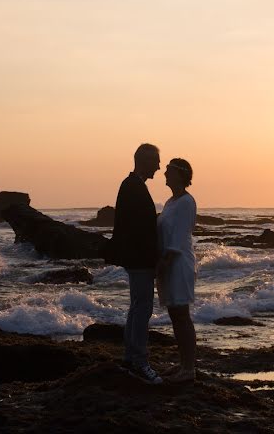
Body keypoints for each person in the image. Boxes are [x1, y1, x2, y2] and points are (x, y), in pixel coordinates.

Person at [109, 143, 163, 384]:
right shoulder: (133, 186)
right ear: (144, 161)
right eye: (156, 161)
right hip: (139, 258)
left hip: (135, 257)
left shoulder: (131, 185)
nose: (159, 167)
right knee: (143, 308)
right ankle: (139, 362)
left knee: (137, 307)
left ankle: (131, 359)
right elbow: (136, 227)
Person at [156, 157, 198, 383]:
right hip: (168, 261)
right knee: (175, 314)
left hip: (178, 263)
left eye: (169, 170)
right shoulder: (171, 202)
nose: (164, 173)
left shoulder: (186, 202)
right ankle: (183, 363)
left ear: (180, 174)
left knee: (182, 315)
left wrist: (165, 262)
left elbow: (179, 236)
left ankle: (189, 368)